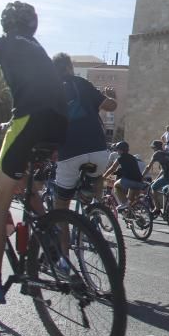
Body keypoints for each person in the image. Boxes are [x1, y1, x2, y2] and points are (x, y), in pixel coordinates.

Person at [0, 2, 68, 304]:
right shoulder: (37, 47)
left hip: (30, 119)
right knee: (26, 184)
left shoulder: (6, 42)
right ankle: (52, 246)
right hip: (58, 123)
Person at [50, 53, 116, 216]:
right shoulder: (82, 83)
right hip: (98, 151)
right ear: (68, 67)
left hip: (69, 153)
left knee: (61, 207)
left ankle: (64, 242)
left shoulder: (52, 90)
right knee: (98, 173)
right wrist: (112, 96)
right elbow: (111, 106)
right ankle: (96, 205)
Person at [141, 140, 169, 215]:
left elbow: (148, 167)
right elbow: (163, 170)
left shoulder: (157, 154)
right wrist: (156, 179)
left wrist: (141, 176)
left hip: (168, 176)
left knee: (153, 187)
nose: (153, 150)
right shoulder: (168, 153)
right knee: (165, 191)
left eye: (153, 148)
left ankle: (157, 208)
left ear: (155, 147)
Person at [102, 141, 145, 210]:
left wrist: (103, 176)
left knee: (116, 185)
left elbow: (112, 168)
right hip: (139, 182)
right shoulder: (133, 158)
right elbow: (130, 168)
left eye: (117, 150)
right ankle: (132, 214)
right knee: (130, 202)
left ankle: (123, 203)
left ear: (120, 150)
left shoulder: (120, 158)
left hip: (129, 181)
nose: (117, 152)